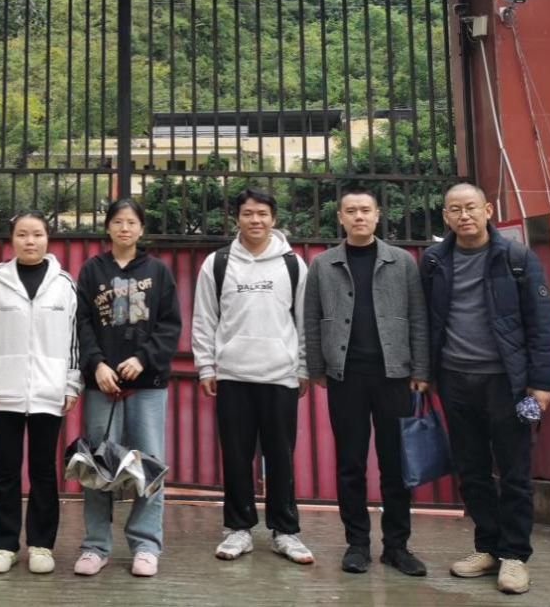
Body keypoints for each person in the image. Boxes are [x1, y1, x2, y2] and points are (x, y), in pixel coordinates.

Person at [420, 183, 550, 596]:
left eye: (470, 207)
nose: (463, 215)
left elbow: (542, 322)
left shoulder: (515, 257)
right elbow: (426, 320)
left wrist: (541, 384)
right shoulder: (433, 261)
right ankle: (488, 547)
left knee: (514, 471)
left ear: (488, 210)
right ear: (445, 216)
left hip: (506, 382)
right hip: (455, 379)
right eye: (454, 209)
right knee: (472, 470)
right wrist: (426, 371)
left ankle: (514, 555)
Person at [303, 186, 430, 576]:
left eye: (365, 210)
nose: (358, 216)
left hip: (395, 375)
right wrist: (316, 368)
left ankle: (397, 546)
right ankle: (356, 543)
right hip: (346, 377)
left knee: (396, 465)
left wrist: (421, 370)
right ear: (340, 217)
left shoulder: (402, 262)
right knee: (350, 463)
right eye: (351, 211)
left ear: (377, 215)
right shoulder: (323, 265)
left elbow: (418, 317)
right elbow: (311, 319)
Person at [191, 188, 315, 566]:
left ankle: (285, 531)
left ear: (273, 219)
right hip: (233, 375)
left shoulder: (293, 264)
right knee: (236, 456)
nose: (255, 220)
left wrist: (303, 366)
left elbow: (304, 320)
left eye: (262, 213)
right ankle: (238, 528)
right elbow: (204, 318)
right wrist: (206, 366)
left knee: (281, 457)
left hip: (280, 375)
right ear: (237, 218)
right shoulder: (217, 263)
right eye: (248, 213)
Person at [72, 198, 181, 579]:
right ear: (107, 227)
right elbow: (82, 322)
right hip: (101, 385)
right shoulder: (92, 270)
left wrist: (143, 359)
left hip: (147, 385)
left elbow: (169, 325)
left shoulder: (158, 272)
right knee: (97, 465)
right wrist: (96, 364)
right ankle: (95, 545)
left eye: (131, 222)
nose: (124, 228)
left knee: (148, 466)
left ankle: (146, 545)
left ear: (141, 229)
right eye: (117, 221)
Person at [0, 211, 82, 575]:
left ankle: (41, 545)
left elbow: (73, 339)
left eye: (37, 234)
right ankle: (3, 545)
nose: (30, 241)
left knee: (43, 470)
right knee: (5, 470)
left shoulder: (64, 284)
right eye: (22, 234)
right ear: (12, 239)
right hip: (4, 388)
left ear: (48, 239)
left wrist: (71, 382)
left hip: (49, 390)